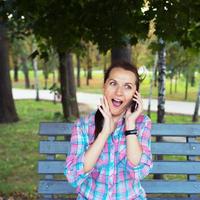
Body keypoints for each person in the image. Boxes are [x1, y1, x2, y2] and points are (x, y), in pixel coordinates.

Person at [64, 61, 153, 200]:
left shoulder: (142, 124)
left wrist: (130, 125)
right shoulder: (83, 126)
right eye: (113, 83)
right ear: (104, 86)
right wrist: (104, 134)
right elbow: (73, 176)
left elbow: (139, 172)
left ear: (135, 94)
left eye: (127, 87)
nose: (119, 92)